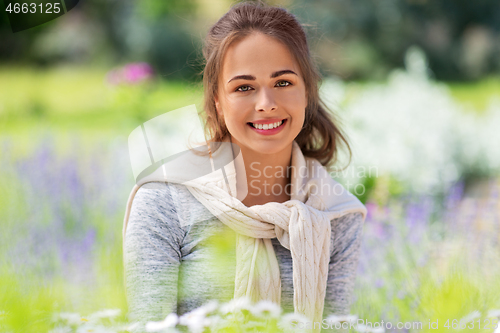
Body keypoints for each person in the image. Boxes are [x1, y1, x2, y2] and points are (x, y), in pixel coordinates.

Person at [122, 1, 367, 332]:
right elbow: (148, 326)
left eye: (283, 82)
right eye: (244, 88)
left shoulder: (336, 213)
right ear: (218, 102)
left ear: (306, 92)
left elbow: (337, 327)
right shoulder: (164, 201)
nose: (266, 104)